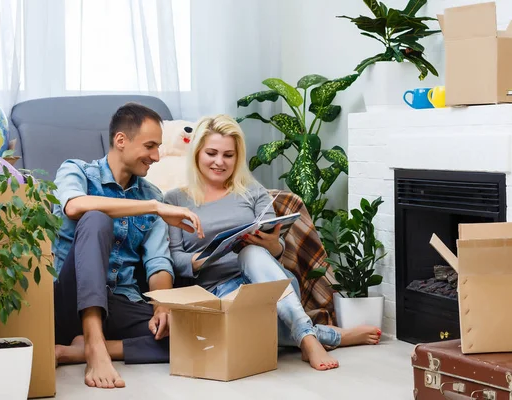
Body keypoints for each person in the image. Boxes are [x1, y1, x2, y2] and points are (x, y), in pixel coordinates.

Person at [164, 114, 381, 372]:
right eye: (211, 153)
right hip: (220, 293)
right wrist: (203, 259)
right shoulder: (174, 200)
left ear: (238, 157)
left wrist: (271, 245)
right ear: (197, 152)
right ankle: (324, 335)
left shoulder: (253, 191)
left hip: (271, 285)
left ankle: (308, 340)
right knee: (251, 321)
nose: (219, 162)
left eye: (228, 155)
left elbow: (277, 249)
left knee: (252, 253)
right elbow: (174, 258)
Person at [51, 103, 204, 389]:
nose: (156, 156)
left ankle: (75, 351)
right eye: (150, 146)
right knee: (95, 219)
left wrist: (162, 307)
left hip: (120, 302)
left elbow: (158, 263)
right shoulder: (77, 171)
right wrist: (155, 207)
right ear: (121, 140)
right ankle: (94, 346)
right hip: (69, 299)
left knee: (193, 336)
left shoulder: (152, 195)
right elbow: (74, 207)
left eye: (159, 147)